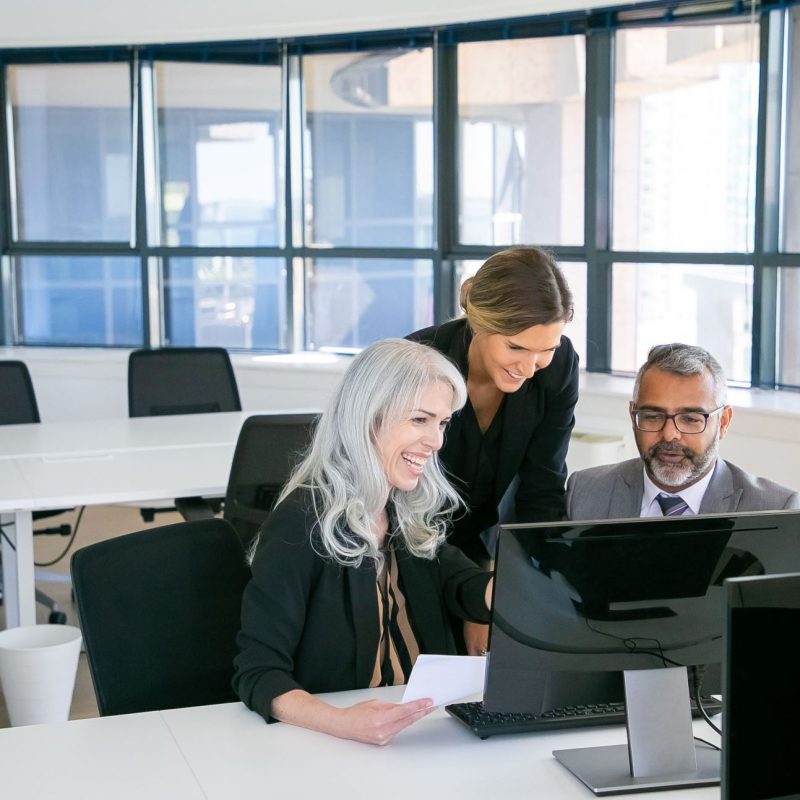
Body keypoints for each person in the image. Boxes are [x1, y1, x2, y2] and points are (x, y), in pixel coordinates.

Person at [233, 338, 493, 745]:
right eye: (420, 420)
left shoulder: (404, 507)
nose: (437, 441)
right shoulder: (301, 522)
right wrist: (343, 722)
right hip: (335, 742)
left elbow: (465, 585)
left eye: (442, 423)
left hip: (421, 732)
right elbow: (258, 672)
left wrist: (518, 585)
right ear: (368, 418)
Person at [408, 246, 578, 654]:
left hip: (487, 554)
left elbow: (543, 488)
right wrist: (476, 599)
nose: (530, 365)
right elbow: (407, 507)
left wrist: (527, 589)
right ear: (480, 323)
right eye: (516, 348)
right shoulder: (417, 366)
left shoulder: (557, 367)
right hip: (411, 547)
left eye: (546, 348)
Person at [566, 343, 800, 520]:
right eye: (653, 416)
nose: (669, 435)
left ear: (724, 422)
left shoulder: (775, 509)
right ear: (632, 414)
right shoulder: (584, 492)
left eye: (690, 419)